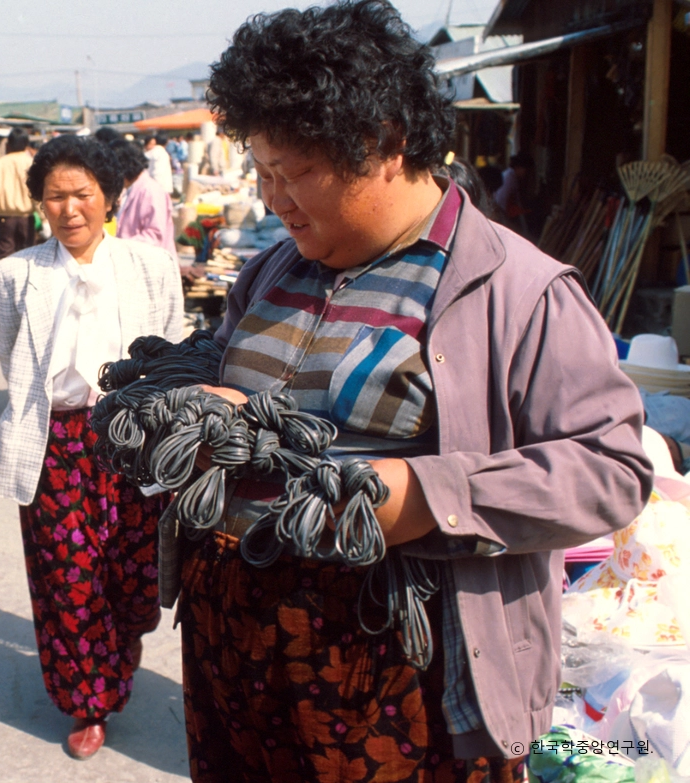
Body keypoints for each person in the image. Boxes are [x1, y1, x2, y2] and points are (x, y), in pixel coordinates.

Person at [179, 3, 652, 782]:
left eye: (293, 171)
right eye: (261, 170)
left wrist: (431, 494)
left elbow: (612, 468)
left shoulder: (518, 288)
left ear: (387, 143)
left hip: (394, 676)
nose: (271, 198)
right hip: (236, 651)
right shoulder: (272, 270)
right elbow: (223, 377)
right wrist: (208, 411)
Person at [0, 134, 183, 761]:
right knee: (67, 581)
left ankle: (119, 662)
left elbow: (174, 348)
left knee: (133, 578)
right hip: (58, 446)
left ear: (108, 197)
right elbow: (13, 362)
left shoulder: (150, 266)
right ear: (39, 204)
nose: (69, 209)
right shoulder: (16, 275)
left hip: (134, 439)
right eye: (54, 198)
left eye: (82, 195)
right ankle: (87, 700)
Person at [111, 139, 177, 260]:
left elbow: (155, 236)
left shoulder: (150, 191)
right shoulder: (131, 189)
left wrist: (118, 246)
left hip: (153, 266)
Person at [0, 127, 37, 258]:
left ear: (8, 145)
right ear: (26, 145)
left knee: (6, 255)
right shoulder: (31, 163)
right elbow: (38, 192)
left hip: (5, 219)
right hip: (27, 218)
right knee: (28, 256)